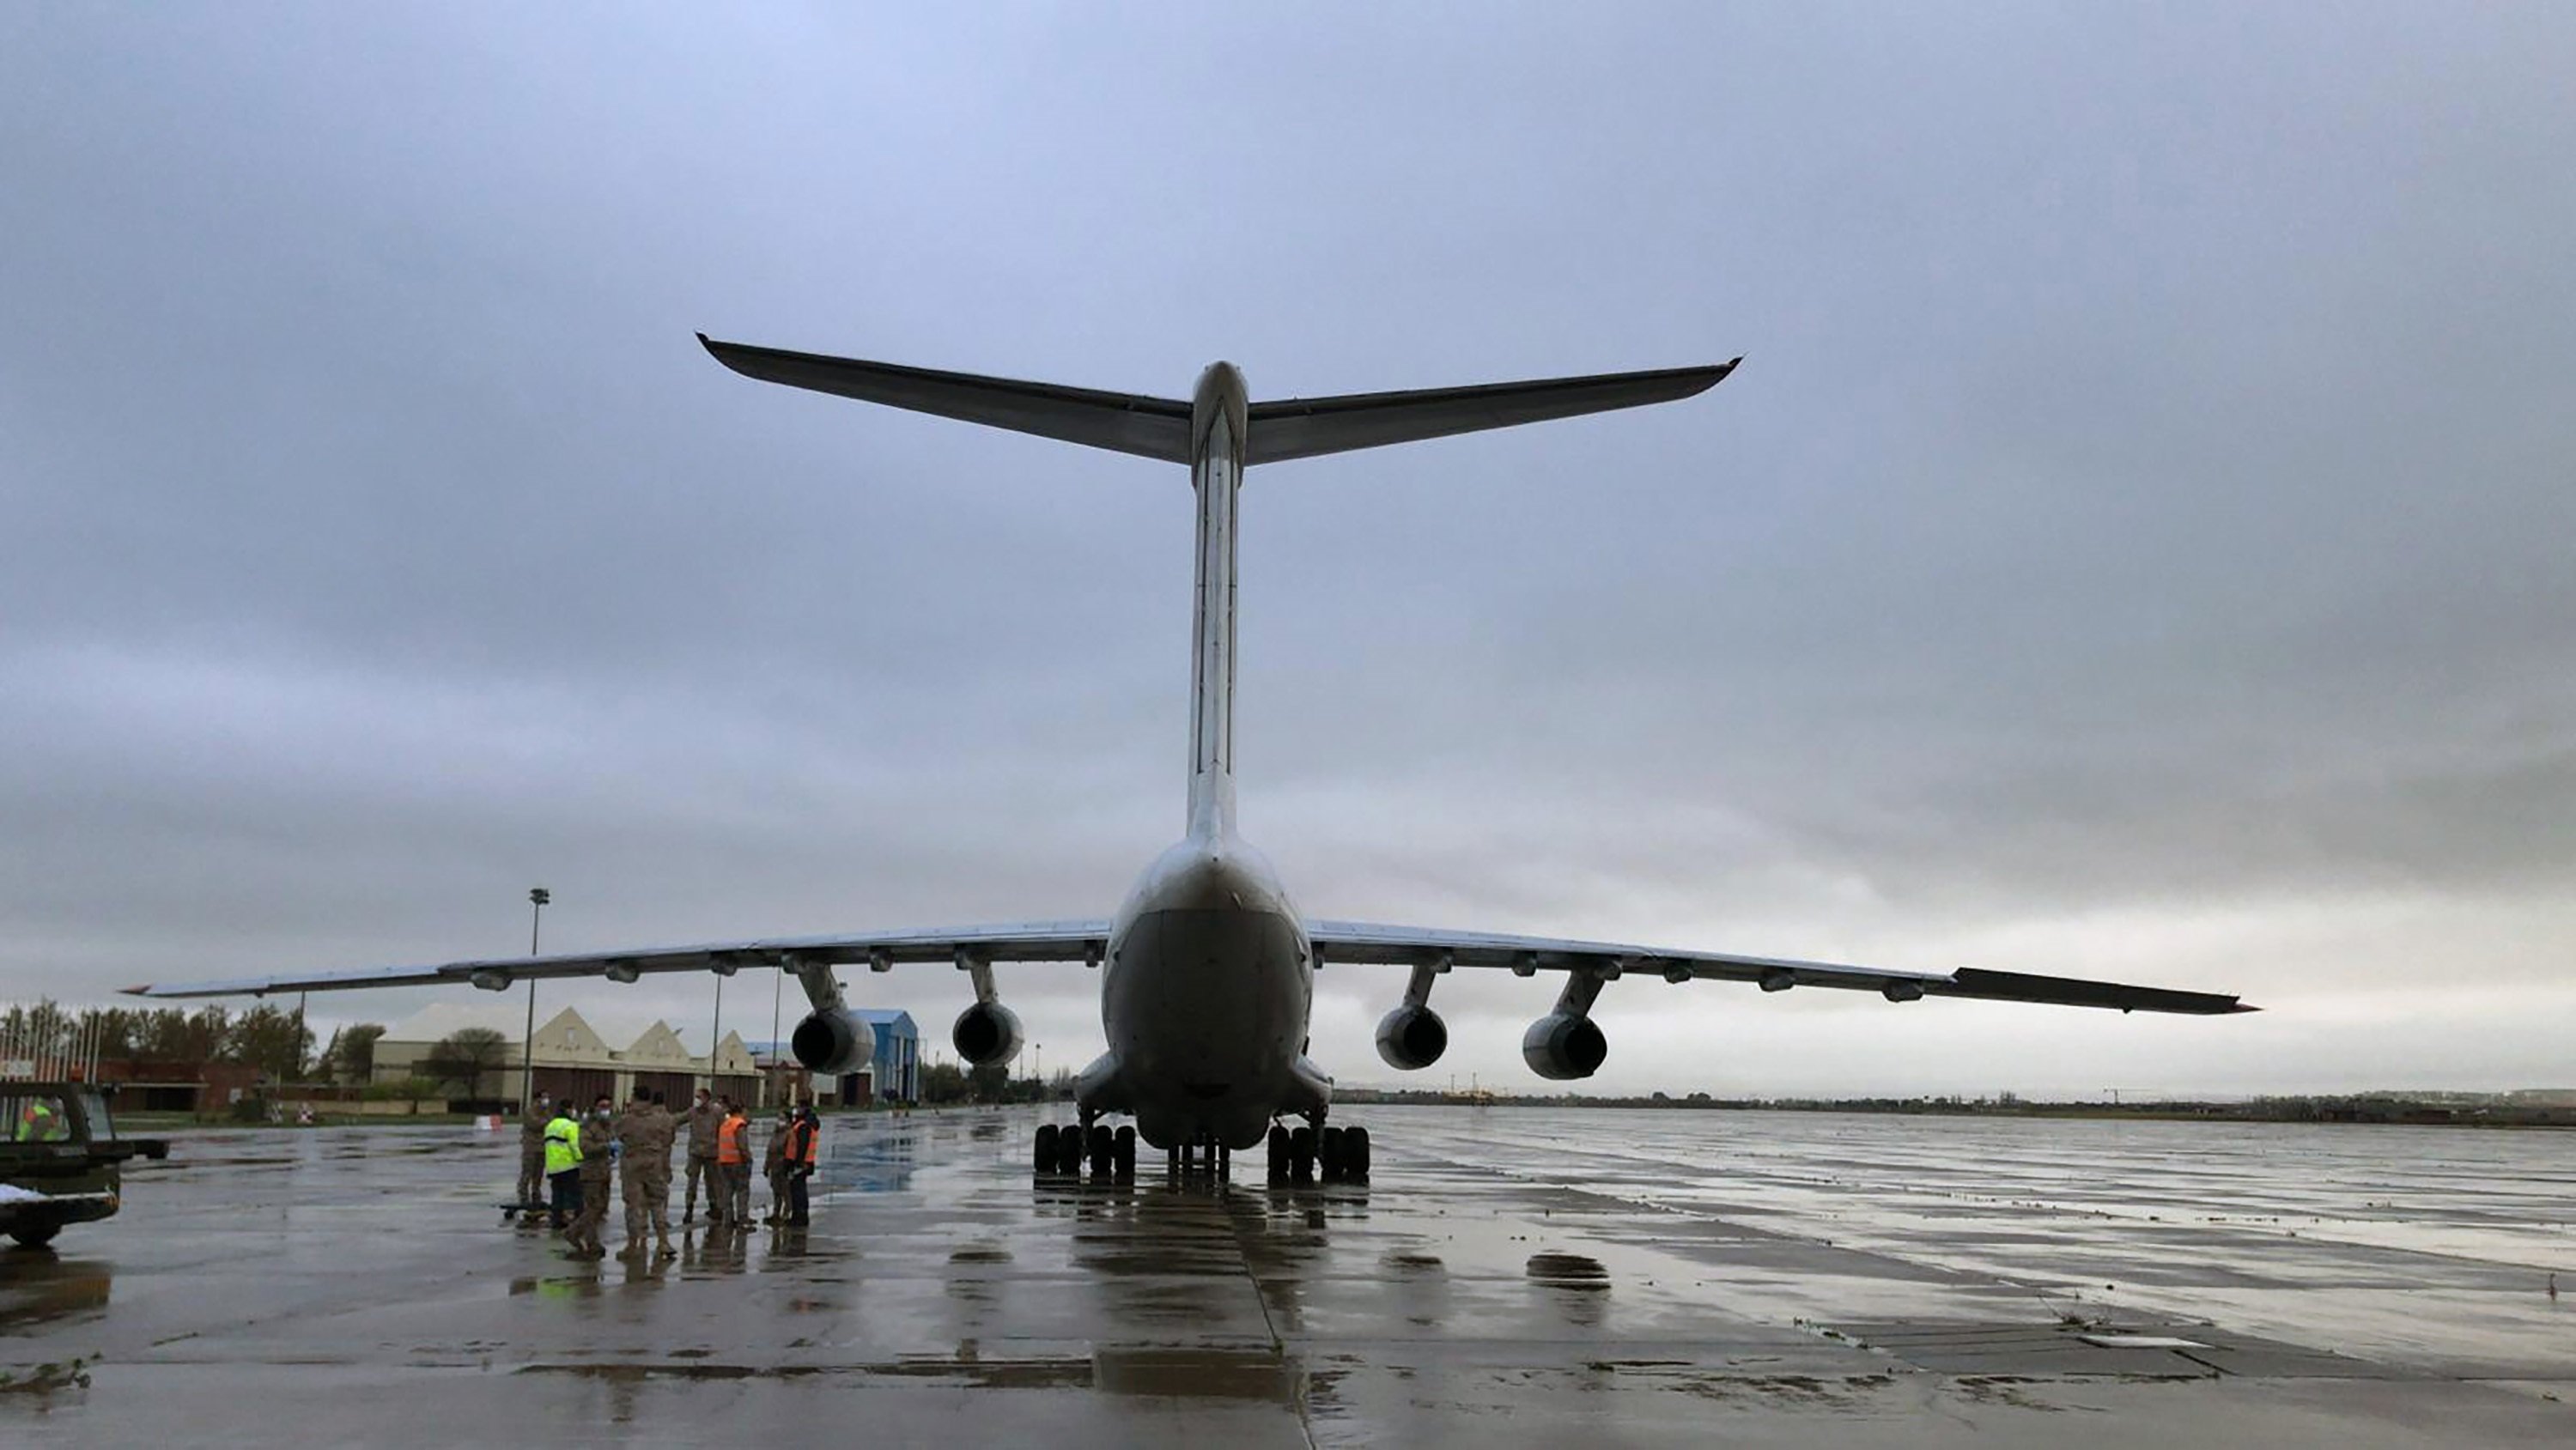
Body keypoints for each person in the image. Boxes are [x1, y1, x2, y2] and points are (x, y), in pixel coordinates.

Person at [619, 1089, 677, 1255]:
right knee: (657, 1203)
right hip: (654, 1163)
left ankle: (632, 1245)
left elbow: (619, 1135)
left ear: (635, 1098)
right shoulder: (660, 1120)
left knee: (633, 1205)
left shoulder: (627, 1120)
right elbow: (668, 1139)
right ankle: (663, 1242)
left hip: (632, 1164)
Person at [568, 1093, 616, 1259]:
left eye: (608, 1107)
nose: (606, 1110)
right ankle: (581, 1236)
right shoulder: (588, 1126)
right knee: (593, 1207)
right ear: (595, 1108)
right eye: (602, 1107)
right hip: (591, 1172)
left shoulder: (608, 1126)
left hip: (604, 1171)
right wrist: (605, 1146)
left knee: (601, 1208)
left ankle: (587, 1238)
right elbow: (585, 1147)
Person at [542, 1100, 583, 1232]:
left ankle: (556, 1220)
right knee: (575, 1195)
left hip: (553, 1166)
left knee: (557, 1194)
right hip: (568, 1165)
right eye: (573, 1108)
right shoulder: (571, 1125)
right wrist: (581, 1159)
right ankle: (579, 1221)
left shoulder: (551, 1125)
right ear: (568, 1110)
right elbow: (574, 1145)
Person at [682, 1087, 720, 1223]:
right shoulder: (692, 1112)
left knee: (712, 1183)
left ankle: (714, 1206)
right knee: (692, 1182)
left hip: (712, 1153)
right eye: (696, 1097)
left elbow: (724, 1128)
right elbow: (677, 1119)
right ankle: (689, 1208)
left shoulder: (716, 1112)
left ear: (707, 1098)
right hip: (695, 1153)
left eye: (699, 1097)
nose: (697, 1100)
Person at [714, 1096, 752, 1229]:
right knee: (742, 1192)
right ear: (741, 1111)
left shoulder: (725, 1124)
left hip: (724, 1162)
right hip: (738, 1162)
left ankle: (727, 1220)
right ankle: (742, 1221)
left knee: (727, 1191)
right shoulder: (739, 1124)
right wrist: (748, 1158)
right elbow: (742, 1146)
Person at [781, 1105, 819, 1227]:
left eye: (798, 1108)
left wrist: (797, 1163)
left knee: (798, 1191)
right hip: (803, 1162)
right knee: (798, 1190)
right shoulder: (803, 1124)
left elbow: (801, 1146)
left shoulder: (803, 1126)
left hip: (800, 1163)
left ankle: (799, 1217)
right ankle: (799, 1216)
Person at [516, 1092, 553, 1207]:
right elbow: (536, 1124)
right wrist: (547, 1121)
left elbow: (550, 1123)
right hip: (531, 1147)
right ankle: (523, 1197)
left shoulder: (545, 1112)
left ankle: (536, 1197)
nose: (546, 1101)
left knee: (538, 1174)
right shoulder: (529, 1111)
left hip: (542, 1146)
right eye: (544, 1098)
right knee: (527, 1173)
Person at [761, 1105, 793, 1224]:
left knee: (786, 1192)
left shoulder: (790, 1134)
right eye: (779, 1118)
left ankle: (786, 1214)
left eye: (782, 1118)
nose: (779, 1121)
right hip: (774, 1166)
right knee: (776, 1192)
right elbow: (770, 1150)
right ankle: (776, 1213)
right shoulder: (776, 1133)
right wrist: (766, 1166)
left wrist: (788, 1166)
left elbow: (790, 1151)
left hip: (783, 1166)